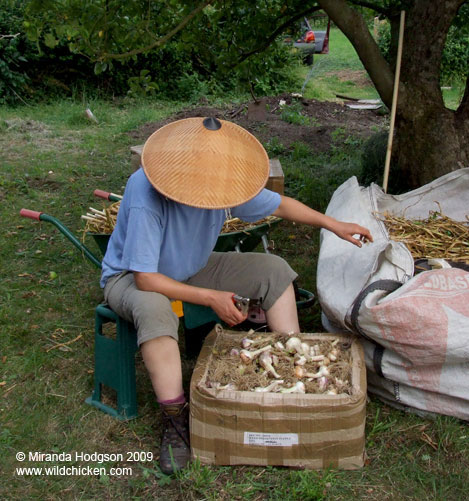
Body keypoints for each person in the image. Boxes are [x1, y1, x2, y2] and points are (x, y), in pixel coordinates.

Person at [99, 117, 373, 475]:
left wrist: (332, 224)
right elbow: (147, 279)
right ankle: (175, 420)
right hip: (131, 277)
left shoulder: (220, 180)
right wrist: (210, 297)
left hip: (190, 266)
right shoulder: (145, 191)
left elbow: (279, 205)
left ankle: (289, 372)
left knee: (273, 269)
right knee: (155, 308)